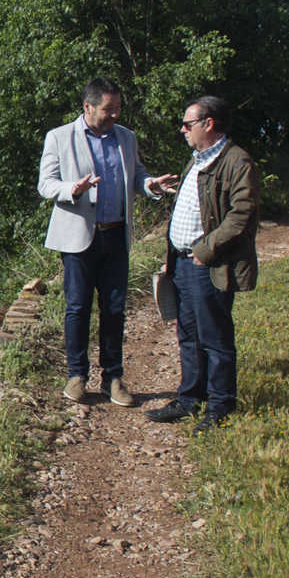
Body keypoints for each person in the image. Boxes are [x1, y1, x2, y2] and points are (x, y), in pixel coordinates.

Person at [37, 78, 179, 406]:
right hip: (79, 237)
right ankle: (77, 375)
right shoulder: (59, 137)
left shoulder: (126, 138)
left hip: (116, 234)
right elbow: (46, 184)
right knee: (77, 307)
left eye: (117, 109)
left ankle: (113, 378)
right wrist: (71, 189)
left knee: (114, 308)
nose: (114, 115)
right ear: (87, 107)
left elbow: (137, 174)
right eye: (107, 109)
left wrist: (150, 185)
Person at [146, 95, 259, 432]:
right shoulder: (198, 159)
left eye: (188, 123)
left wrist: (206, 250)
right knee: (189, 334)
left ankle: (220, 406)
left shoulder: (237, 162)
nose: (182, 129)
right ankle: (190, 399)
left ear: (208, 124)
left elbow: (242, 215)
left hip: (207, 264)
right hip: (183, 263)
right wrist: (173, 256)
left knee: (214, 337)